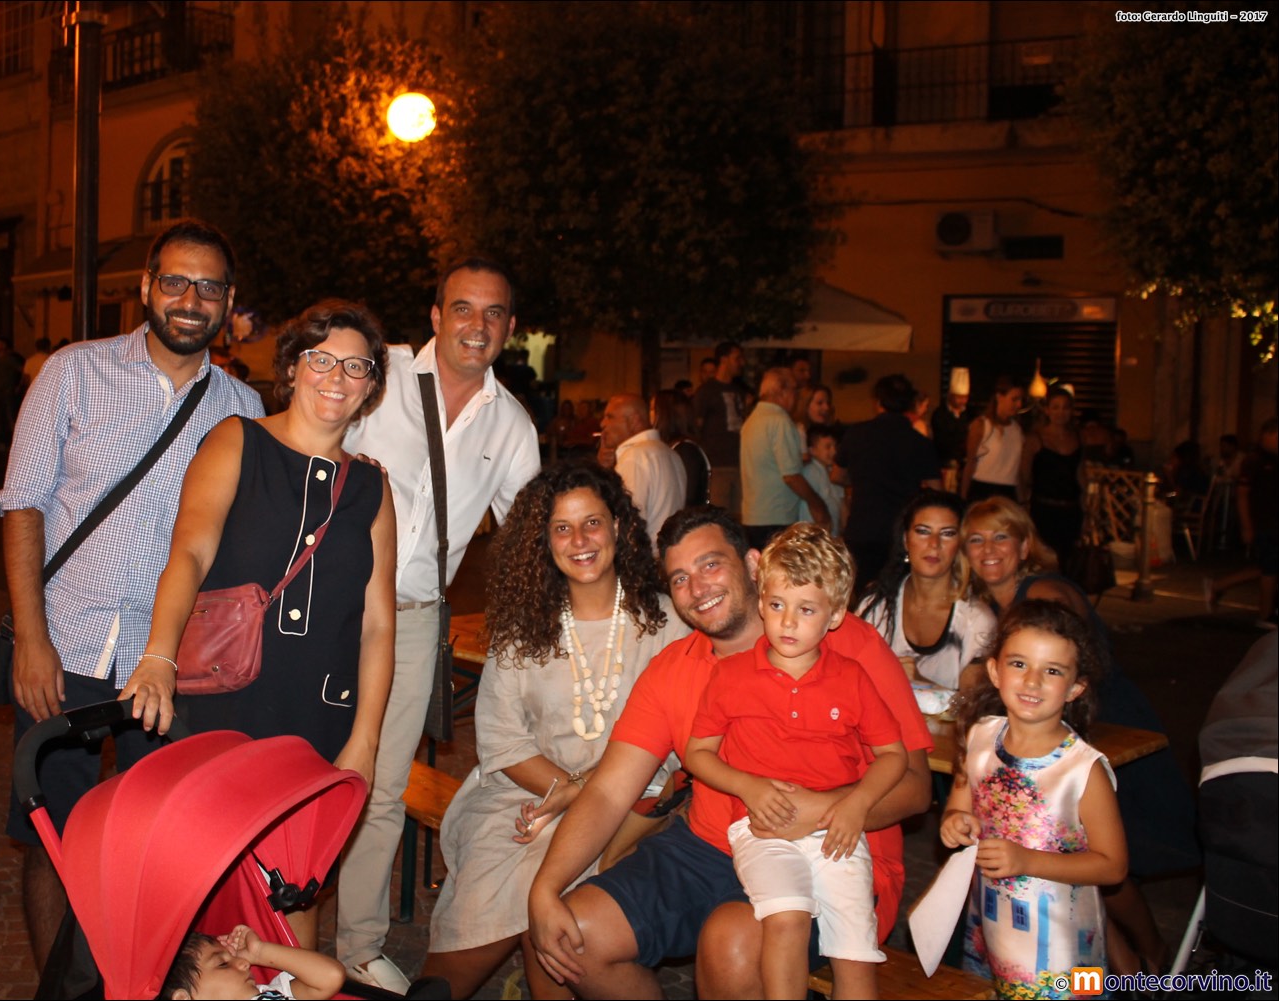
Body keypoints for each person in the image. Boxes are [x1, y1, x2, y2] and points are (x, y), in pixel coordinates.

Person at [0, 220, 265, 972]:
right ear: (146, 287)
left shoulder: (243, 409)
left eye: (208, 287)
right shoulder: (72, 373)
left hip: (171, 662)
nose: (190, 300)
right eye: (175, 281)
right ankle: (59, 986)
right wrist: (32, 639)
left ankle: (141, 980)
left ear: (228, 302)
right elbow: (23, 506)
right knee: (53, 838)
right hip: (67, 644)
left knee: (161, 843)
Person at [526, 506, 934, 998]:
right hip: (710, 847)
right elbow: (611, 790)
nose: (697, 588)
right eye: (680, 578)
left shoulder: (844, 641)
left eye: (710, 564)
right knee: (569, 936)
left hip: (833, 853)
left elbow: (916, 787)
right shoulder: (674, 669)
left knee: (732, 945)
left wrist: (822, 810)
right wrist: (545, 888)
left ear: (754, 564)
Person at [122, 300, 396, 948]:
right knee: (201, 886)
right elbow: (189, 552)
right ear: (293, 368)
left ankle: (286, 988)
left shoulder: (372, 490)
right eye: (321, 359)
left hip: (319, 719)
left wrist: (365, 743)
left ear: (370, 388)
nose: (337, 377)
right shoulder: (237, 440)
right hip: (227, 705)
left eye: (356, 366)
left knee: (295, 890)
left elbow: (379, 626)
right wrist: (158, 657)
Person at [335, 257, 540, 993]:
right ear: (435, 315)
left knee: (381, 786)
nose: (476, 326)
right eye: (462, 308)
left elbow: (529, 540)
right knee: (296, 765)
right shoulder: (379, 372)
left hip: (415, 619)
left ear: (509, 329)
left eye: (493, 313)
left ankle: (357, 946)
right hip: (327, 602)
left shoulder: (512, 425)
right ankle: (269, 933)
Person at [421, 462, 687, 999]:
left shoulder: (668, 623)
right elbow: (502, 740)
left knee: (545, 872)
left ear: (618, 527)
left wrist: (584, 795)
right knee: (513, 860)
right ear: (543, 541)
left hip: (638, 800)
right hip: (525, 794)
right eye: (562, 528)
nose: (580, 540)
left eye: (592, 522)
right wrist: (565, 791)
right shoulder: (524, 627)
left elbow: (678, 746)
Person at [962, 496, 1199, 974]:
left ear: (1025, 545)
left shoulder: (1043, 592)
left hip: (1103, 728)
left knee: (1092, 850)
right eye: (976, 539)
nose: (988, 549)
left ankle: (1150, 955)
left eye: (1001, 536)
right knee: (1064, 850)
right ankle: (1128, 964)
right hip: (1055, 725)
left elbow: (1056, 642)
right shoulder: (997, 604)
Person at [685, 524, 904, 999]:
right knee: (786, 919)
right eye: (777, 605)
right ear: (761, 602)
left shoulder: (852, 678)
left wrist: (857, 804)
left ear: (835, 615)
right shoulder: (732, 676)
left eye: (806, 610)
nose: (787, 622)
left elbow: (893, 756)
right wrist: (748, 786)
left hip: (838, 833)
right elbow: (697, 753)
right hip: (764, 830)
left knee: (855, 952)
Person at [942, 600, 1127, 997]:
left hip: (1061, 948)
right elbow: (959, 802)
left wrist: (1027, 861)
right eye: (1019, 664)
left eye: (1052, 671)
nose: (1032, 681)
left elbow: (1112, 866)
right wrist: (955, 822)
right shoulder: (979, 738)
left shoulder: (1082, 770)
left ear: (1075, 688)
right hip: (989, 928)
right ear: (995, 671)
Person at [857, 489, 995, 690]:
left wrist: (921, 682)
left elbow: (973, 703)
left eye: (947, 534)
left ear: (960, 544)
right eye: (923, 531)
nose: (934, 544)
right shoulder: (875, 605)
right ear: (905, 540)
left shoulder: (976, 620)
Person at [836, 374, 943, 591]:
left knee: (859, 594)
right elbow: (937, 489)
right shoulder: (919, 442)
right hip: (900, 533)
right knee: (898, 592)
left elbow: (837, 476)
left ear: (877, 402)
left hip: (862, 528)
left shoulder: (857, 434)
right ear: (910, 403)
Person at [741, 366, 829, 549]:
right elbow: (791, 476)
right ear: (782, 391)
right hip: (777, 515)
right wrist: (817, 503)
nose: (796, 397)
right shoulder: (780, 421)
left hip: (753, 514)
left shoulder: (752, 420)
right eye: (795, 390)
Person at [1206, 417, 1278, 628]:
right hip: (1265, 522)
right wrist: (1246, 526)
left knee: (1265, 566)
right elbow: (1243, 493)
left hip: (1271, 521)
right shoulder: (1256, 460)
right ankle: (1265, 615)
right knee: (1269, 568)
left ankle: (1218, 586)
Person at [158, 924, 346, 1001]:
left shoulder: (268, 992)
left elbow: (331, 976)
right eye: (222, 964)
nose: (244, 963)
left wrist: (259, 952)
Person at [600, 393, 687, 544]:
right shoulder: (671, 454)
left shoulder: (635, 457)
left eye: (610, 417)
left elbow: (628, 523)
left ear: (634, 420)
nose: (603, 423)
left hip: (644, 554)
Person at [1023, 385, 1083, 566]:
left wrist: (1088, 508)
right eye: (1056, 407)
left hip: (1071, 509)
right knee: (1043, 560)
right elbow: (1024, 476)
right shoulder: (1035, 438)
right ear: (1047, 410)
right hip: (1044, 509)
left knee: (1068, 561)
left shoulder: (1077, 438)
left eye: (1065, 407)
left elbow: (1080, 475)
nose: (1061, 412)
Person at [691, 341, 746, 515]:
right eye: (737, 358)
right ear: (724, 359)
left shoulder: (739, 391)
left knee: (739, 516)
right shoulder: (707, 391)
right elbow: (696, 426)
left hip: (739, 463)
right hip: (718, 465)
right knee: (719, 514)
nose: (741, 363)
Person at [961, 376, 1026, 502]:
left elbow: (1017, 470)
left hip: (1008, 491)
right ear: (999, 397)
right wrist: (963, 498)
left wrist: (1022, 500)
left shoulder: (1017, 430)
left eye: (1021, 400)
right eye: (1014, 399)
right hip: (983, 489)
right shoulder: (981, 425)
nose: (1019, 405)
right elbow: (970, 464)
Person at [651, 388, 709, 507]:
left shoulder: (685, 450)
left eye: (652, 409)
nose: (649, 414)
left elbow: (687, 496)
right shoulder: (672, 446)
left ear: (664, 414)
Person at [796, 424, 845, 533]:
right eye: (828, 447)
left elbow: (842, 505)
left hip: (833, 534)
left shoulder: (833, 472)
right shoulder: (810, 472)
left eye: (835, 446)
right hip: (815, 534)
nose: (834, 452)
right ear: (812, 450)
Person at [932, 368, 972, 485]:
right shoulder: (940, 414)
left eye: (965, 397)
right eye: (959, 397)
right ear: (951, 396)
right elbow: (942, 441)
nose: (962, 401)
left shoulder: (969, 414)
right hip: (945, 464)